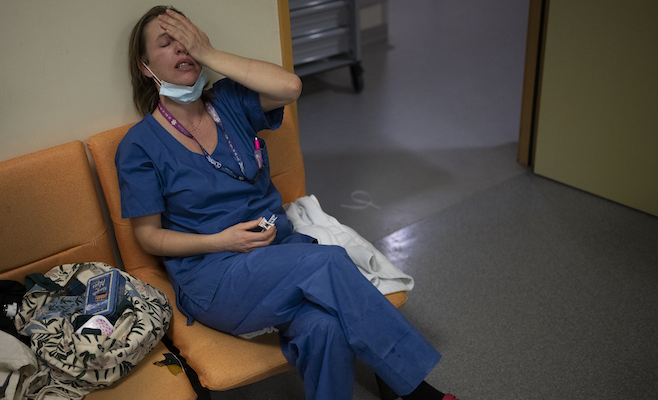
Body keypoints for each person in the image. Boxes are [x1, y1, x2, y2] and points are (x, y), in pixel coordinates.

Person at [116, 6, 458, 400]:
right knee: (328, 261)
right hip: (215, 276)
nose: (182, 47)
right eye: (167, 42)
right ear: (146, 68)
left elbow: (290, 87)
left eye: (187, 37)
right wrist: (221, 241)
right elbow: (148, 237)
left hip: (280, 253)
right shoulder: (139, 146)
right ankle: (416, 393)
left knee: (323, 329)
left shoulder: (227, 102)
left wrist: (207, 52)